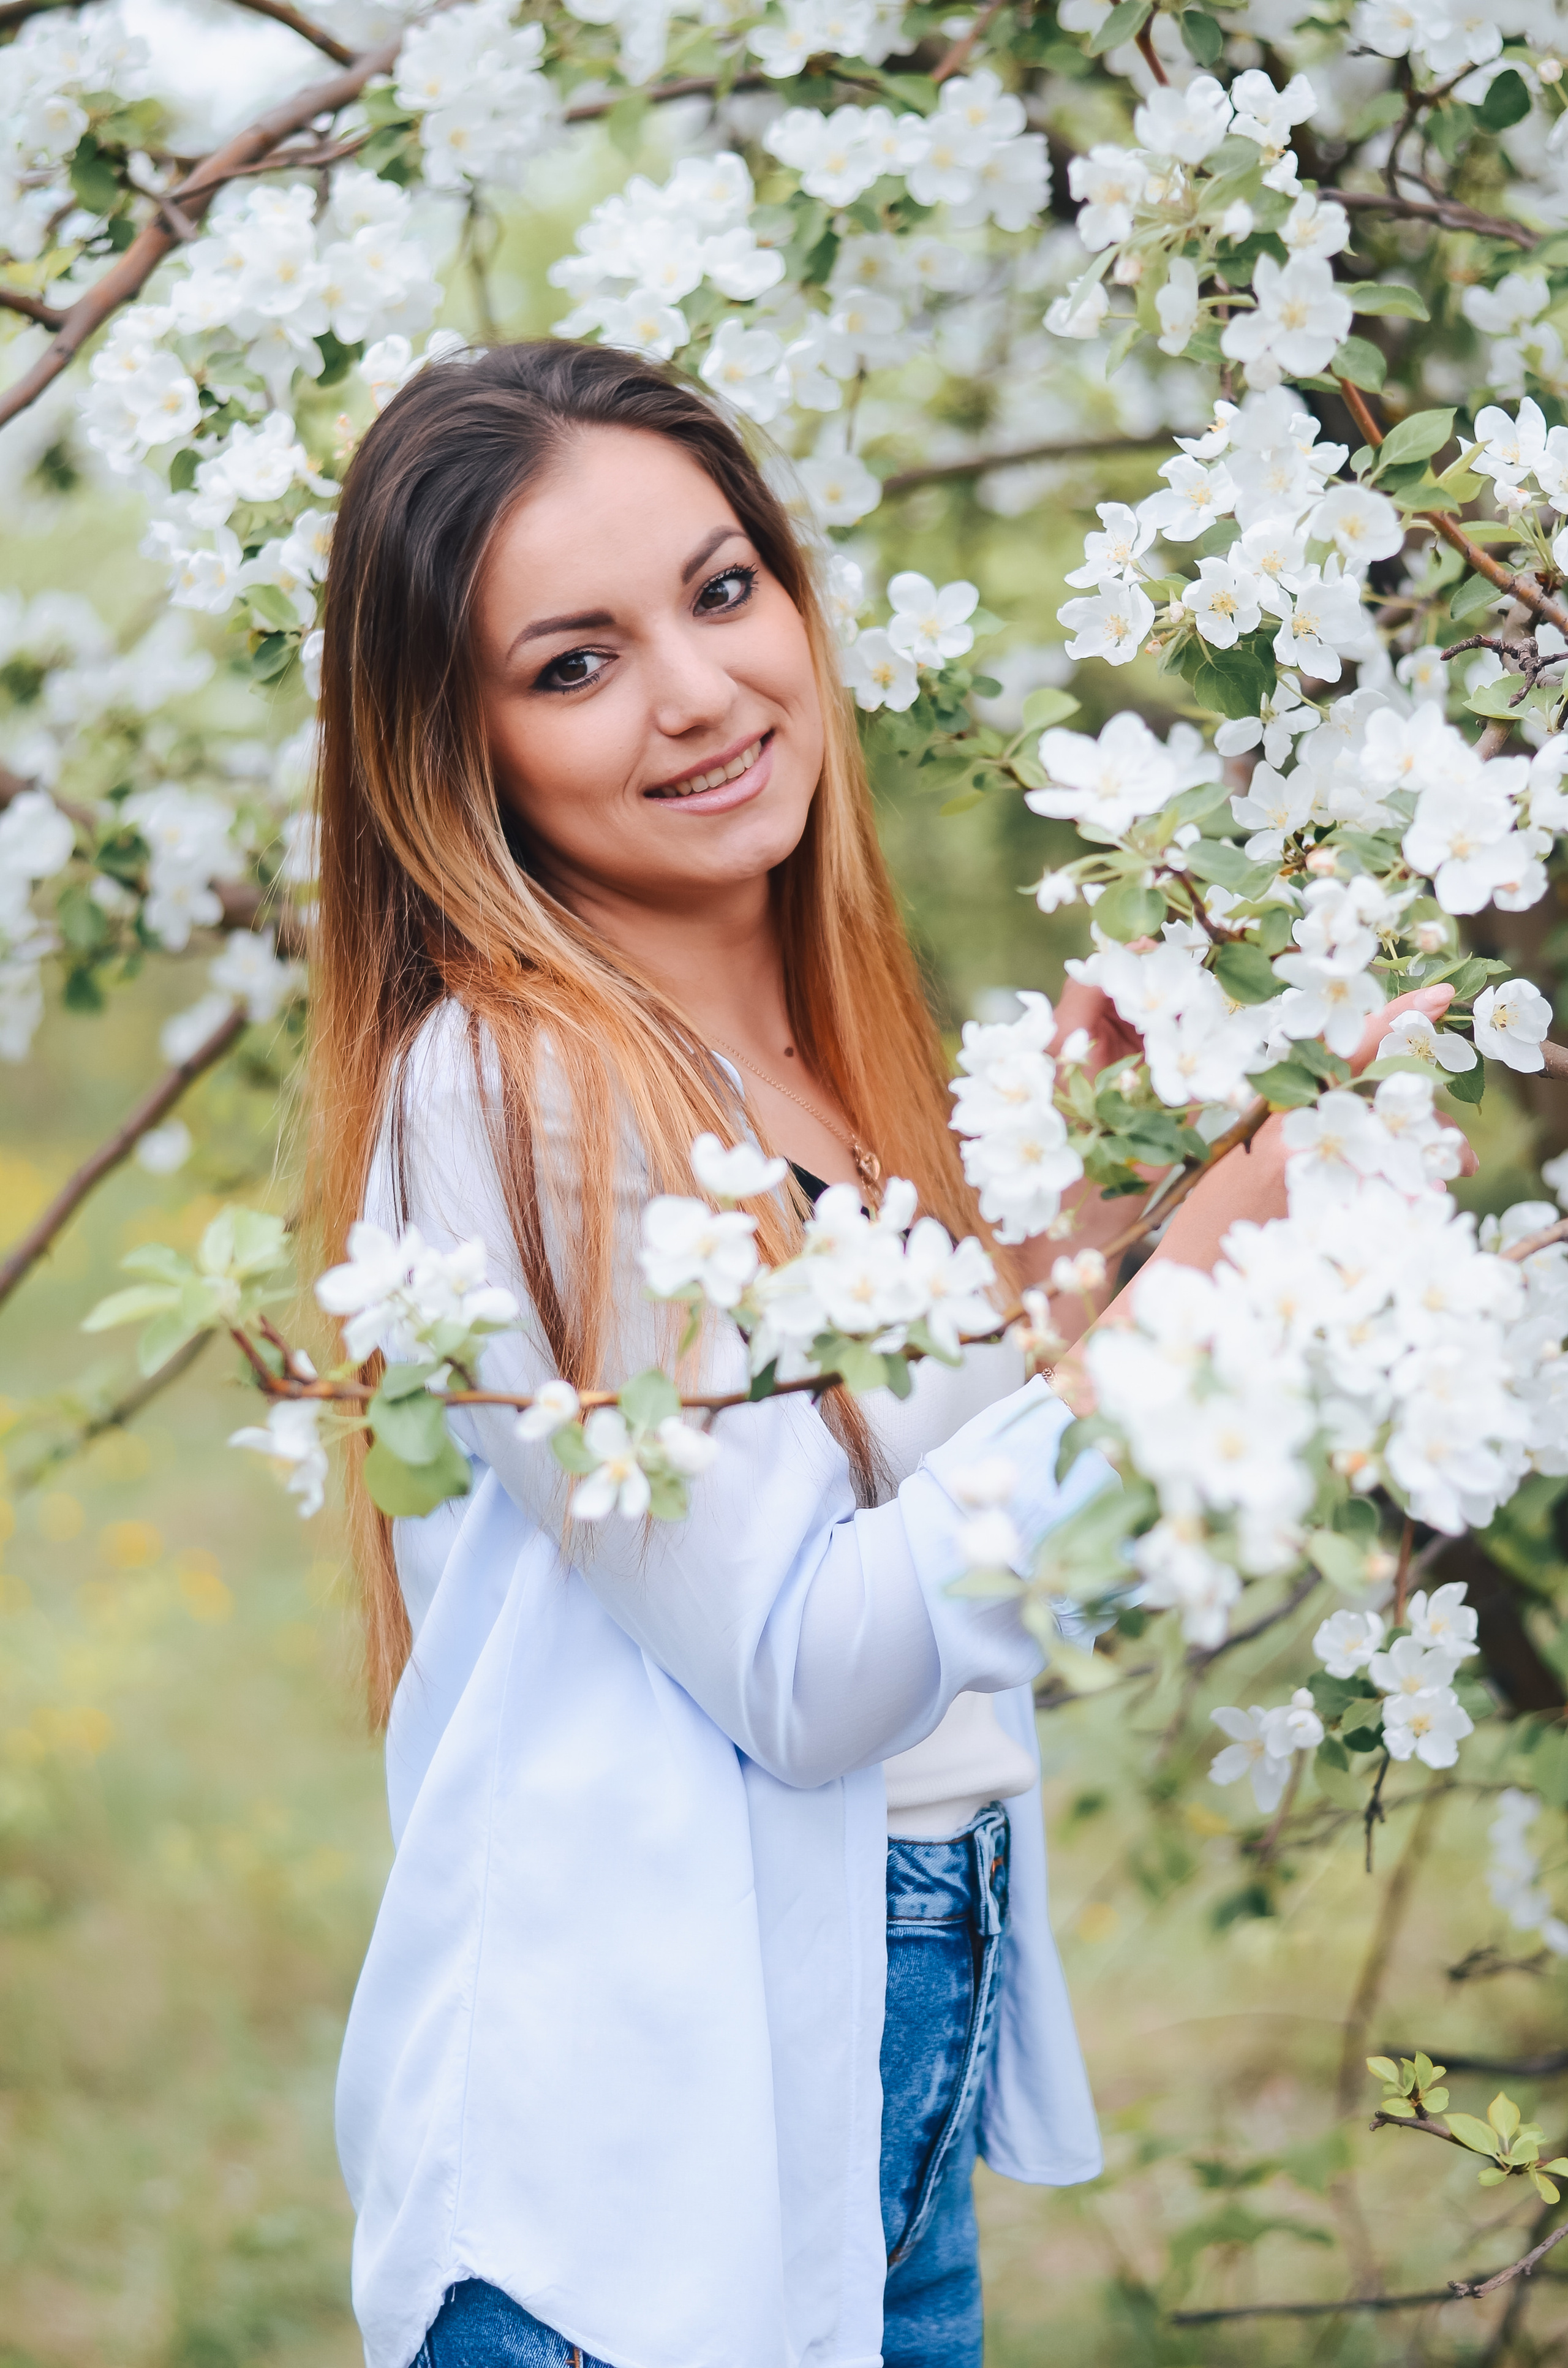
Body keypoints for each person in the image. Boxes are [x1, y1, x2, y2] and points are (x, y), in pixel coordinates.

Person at [311, 338, 1460, 2368]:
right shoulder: (514, 1084)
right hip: (635, 2177)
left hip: (867, 2079)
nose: (697, 692)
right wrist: (1195, 1305)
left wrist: (1084, 1256)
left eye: (723, 587)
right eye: (574, 663)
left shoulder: (807, 1061)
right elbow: (809, 1667)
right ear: (454, 749)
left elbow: (862, 1491)